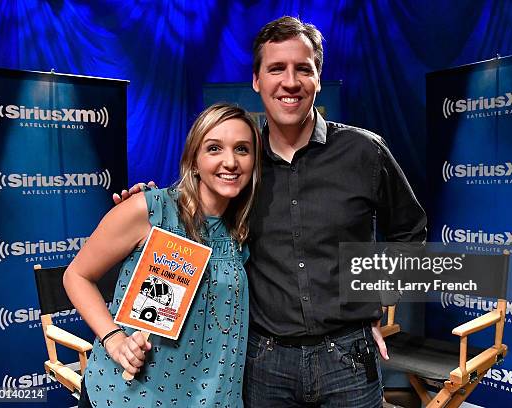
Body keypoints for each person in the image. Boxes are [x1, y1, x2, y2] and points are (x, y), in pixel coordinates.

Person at [121, 16, 426, 408]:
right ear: (256, 80)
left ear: (318, 77)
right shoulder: (239, 164)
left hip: (349, 358)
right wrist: (143, 200)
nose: (290, 81)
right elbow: (185, 210)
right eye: (276, 68)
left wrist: (376, 306)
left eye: (303, 69)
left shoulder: (365, 152)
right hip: (264, 363)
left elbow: (410, 231)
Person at [63, 103, 262, 408]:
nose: (230, 161)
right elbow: (77, 276)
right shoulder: (150, 210)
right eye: (214, 148)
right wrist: (114, 340)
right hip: (129, 397)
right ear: (193, 161)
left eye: (242, 149)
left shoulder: (242, 231)